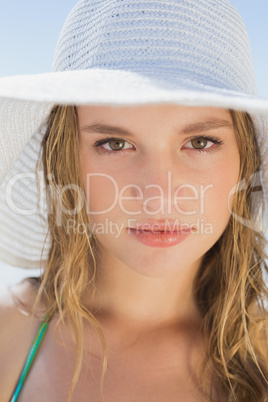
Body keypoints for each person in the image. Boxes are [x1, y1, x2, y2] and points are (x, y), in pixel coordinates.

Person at [0, 0, 267, 401]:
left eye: (199, 142)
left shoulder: (261, 356)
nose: (158, 194)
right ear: (66, 159)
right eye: (115, 143)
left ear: (247, 161)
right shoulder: (8, 336)